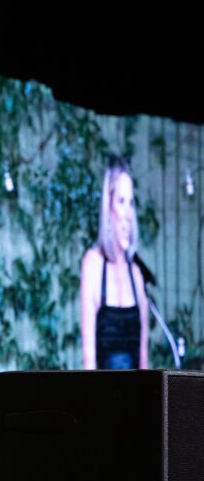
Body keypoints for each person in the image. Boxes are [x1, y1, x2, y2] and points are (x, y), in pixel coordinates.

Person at [79, 156, 149, 370]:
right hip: (100, 399)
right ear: (108, 207)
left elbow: (144, 361)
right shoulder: (92, 265)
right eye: (121, 201)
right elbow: (89, 361)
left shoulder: (136, 275)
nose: (127, 214)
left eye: (131, 203)